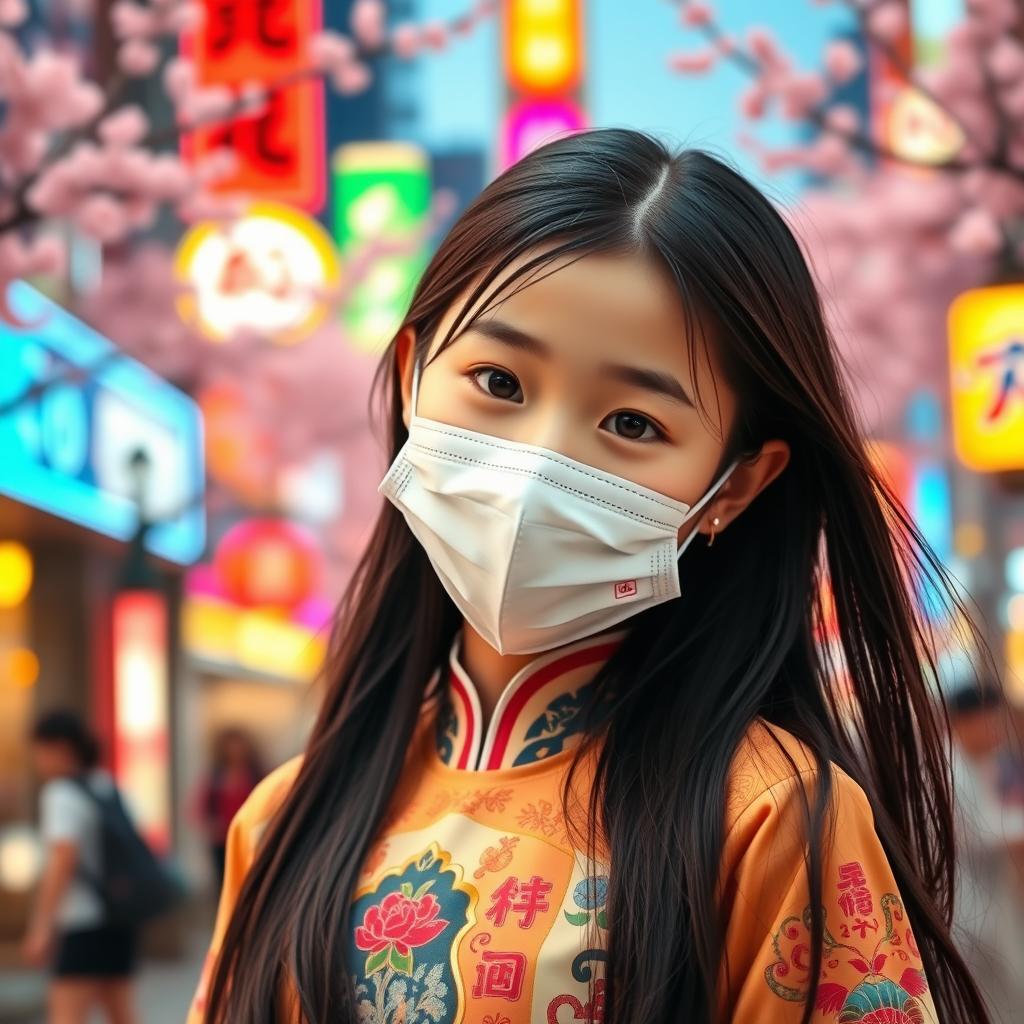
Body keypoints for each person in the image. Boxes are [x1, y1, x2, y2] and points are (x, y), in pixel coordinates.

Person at [188, 130, 990, 1023]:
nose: (535, 467)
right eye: (496, 379)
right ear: (415, 375)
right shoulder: (282, 818)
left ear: (736, 486)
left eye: (633, 424)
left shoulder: (770, 820)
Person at [25, 710, 138, 1024]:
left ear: (60, 747)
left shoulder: (61, 794)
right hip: (119, 917)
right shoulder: (107, 785)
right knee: (121, 1012)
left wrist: (42, 926)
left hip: (81, 923)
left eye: (40, 751)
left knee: (66, 1014)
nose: (38, 761)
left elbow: (62, 861)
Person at [946, 683, 1024, 1022]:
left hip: (997, 897)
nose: (996, 730)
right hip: (963, 907)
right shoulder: (946, 769)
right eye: (988, 721)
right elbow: (975, 833)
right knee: (979, 995)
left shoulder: (993, 763)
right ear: (963, 722)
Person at [190, 727, 264, 892]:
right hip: (221, 840)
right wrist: (211, 825)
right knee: (224, 884)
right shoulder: (215, 778)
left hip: (251, 838)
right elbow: (200, 809)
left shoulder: (256, 775)